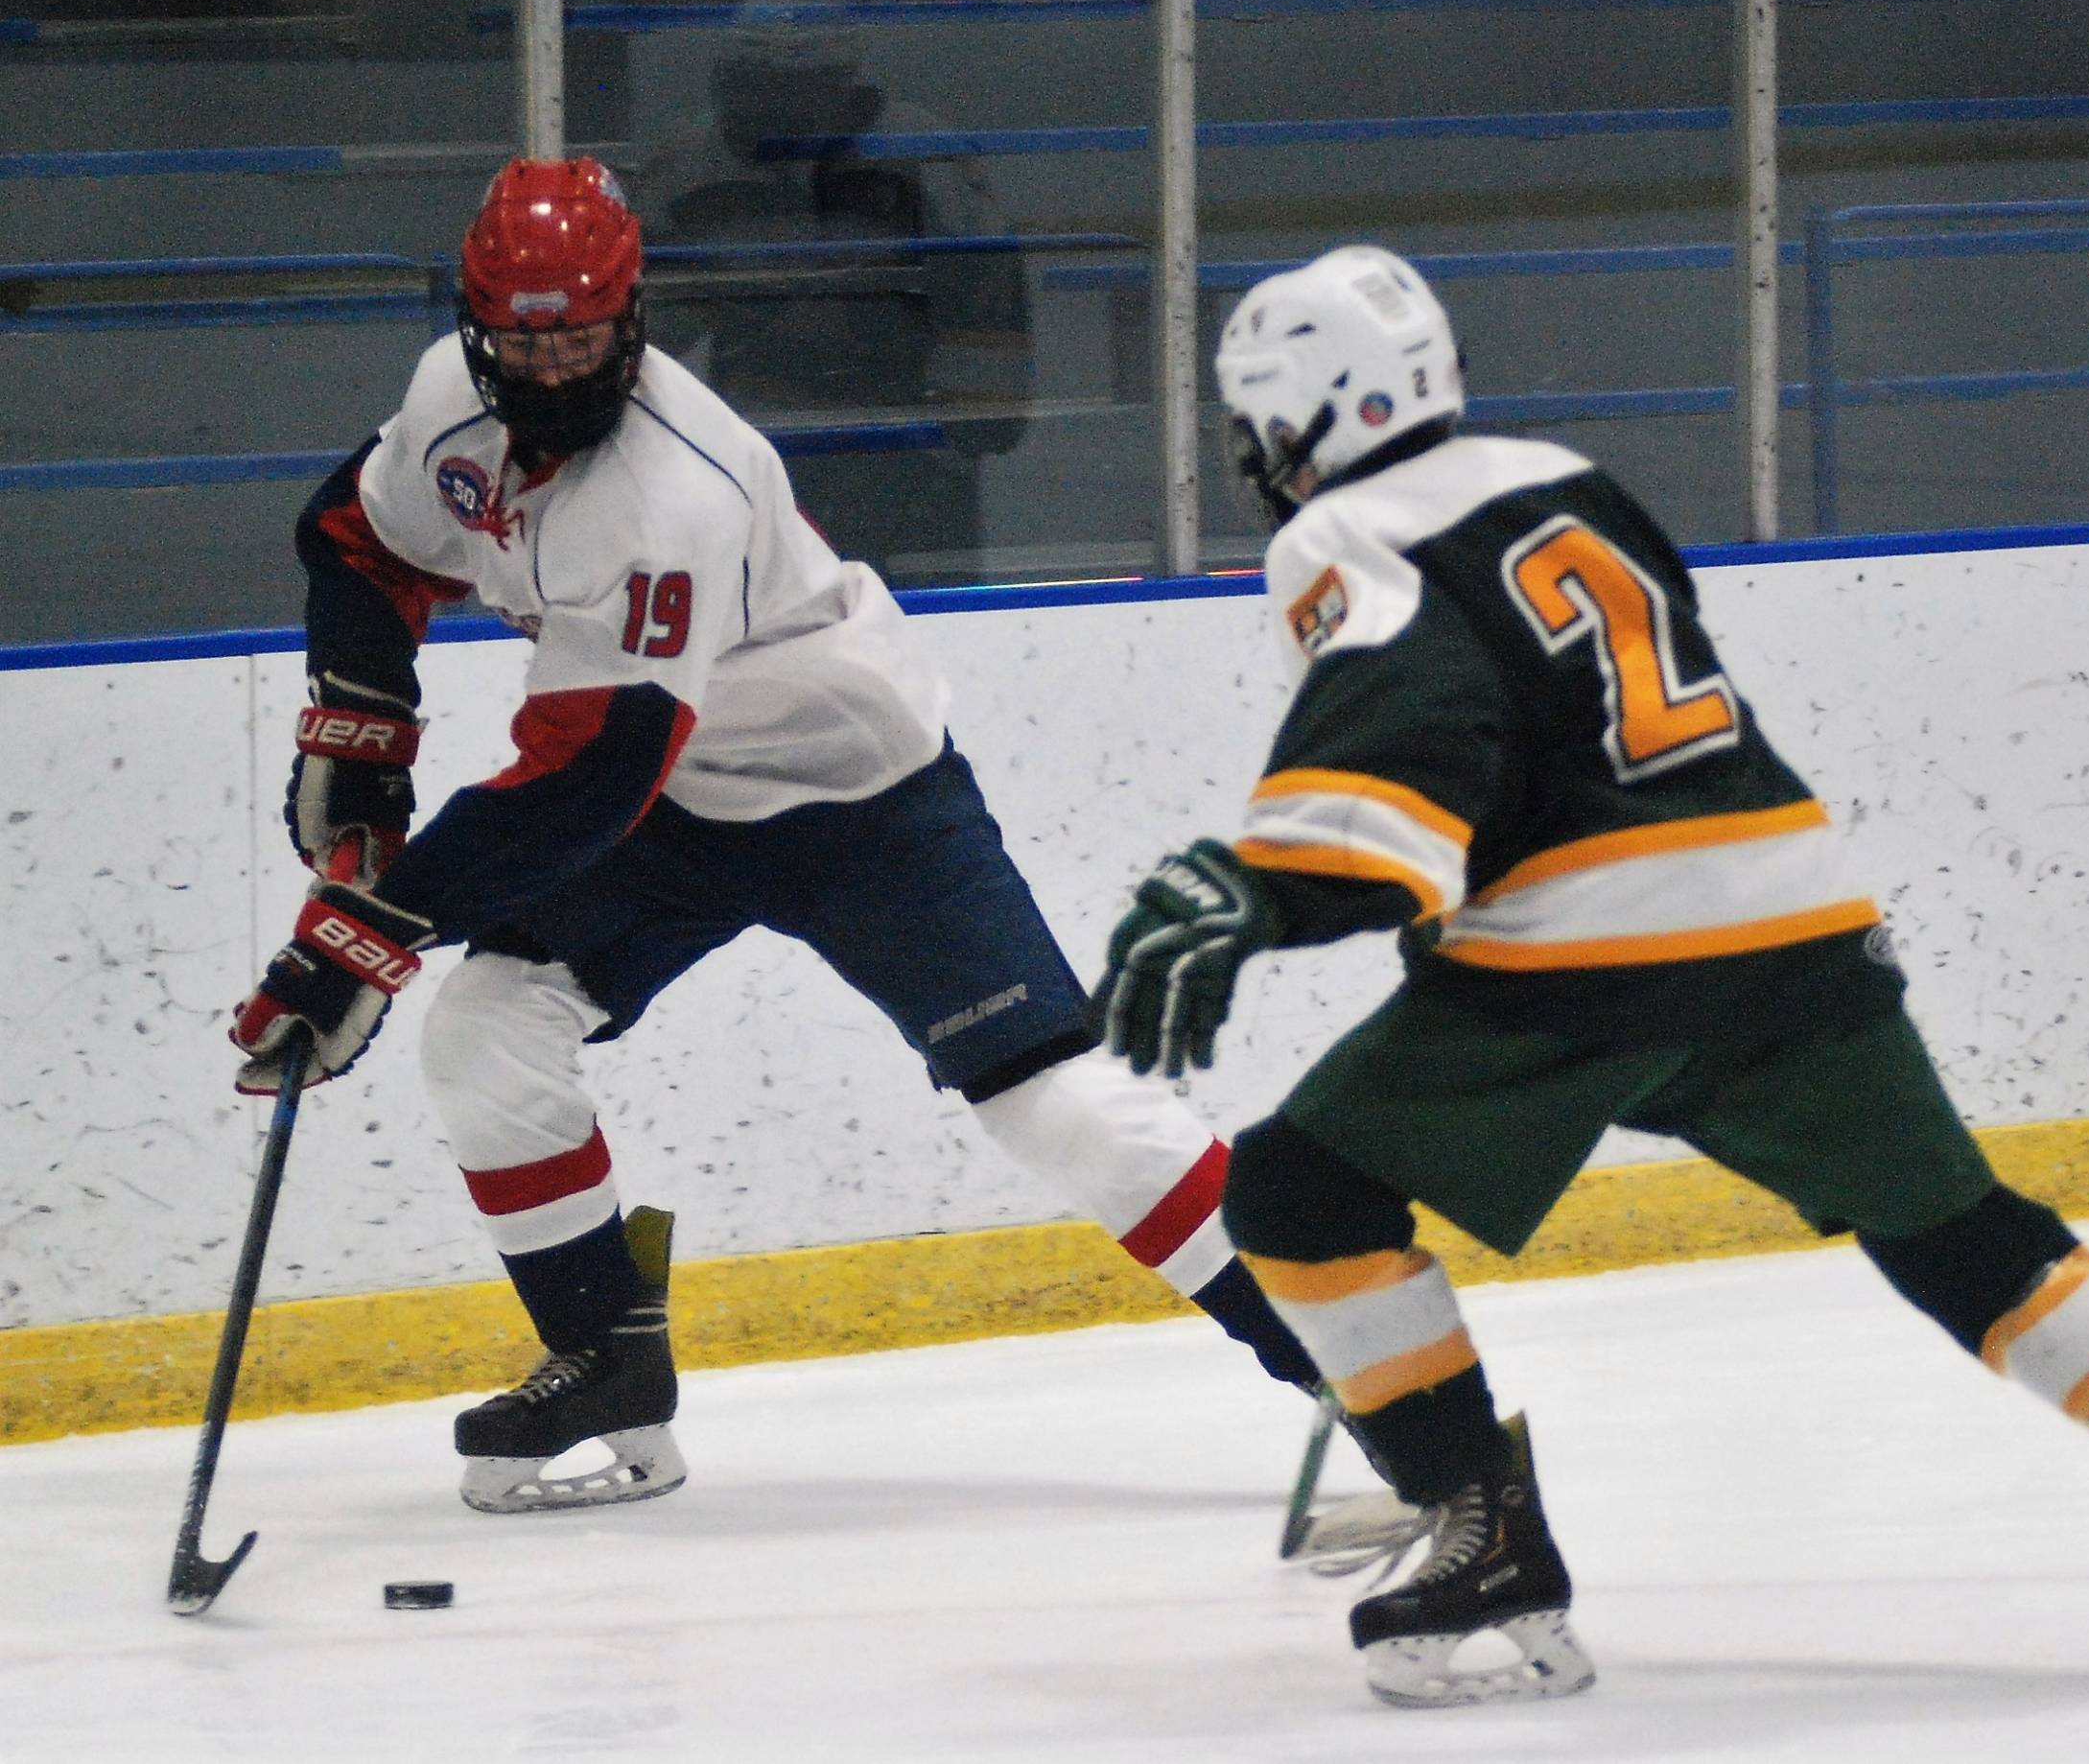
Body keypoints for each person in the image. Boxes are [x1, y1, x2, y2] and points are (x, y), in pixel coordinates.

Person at [1094, 244, 2089, 1707]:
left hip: (1590, 953)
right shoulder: (1567, 475)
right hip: (1792, 913)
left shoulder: (1341, 535)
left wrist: (1267, 880)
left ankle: (1486, 1537)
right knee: (1961, 1231)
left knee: (1294, 1194)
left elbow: (1419, 718)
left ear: (1302, 417)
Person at [227, 155, 1315, 1516]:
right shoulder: (450, 403)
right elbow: (354, 539)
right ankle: (608, 1362)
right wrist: (362, 724)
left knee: (1057, 1107)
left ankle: (1364, 1367)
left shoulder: (674, 491)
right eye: (521, 336)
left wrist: (360, 936)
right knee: (484, 1035)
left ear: (632, 317)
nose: (550, 365)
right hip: (675, 805)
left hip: (858, 797)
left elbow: (583, 785)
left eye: (577, 335)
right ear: (474, 320)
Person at [637, 0, 1031, 586]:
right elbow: (650, 332)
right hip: (759, 452)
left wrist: (976, 421)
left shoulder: (924, 157)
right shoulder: (689, 166)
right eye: (764, 82)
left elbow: (987, 298)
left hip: (904, 457)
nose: (782, 106)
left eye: (800, 84)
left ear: (845, 76)